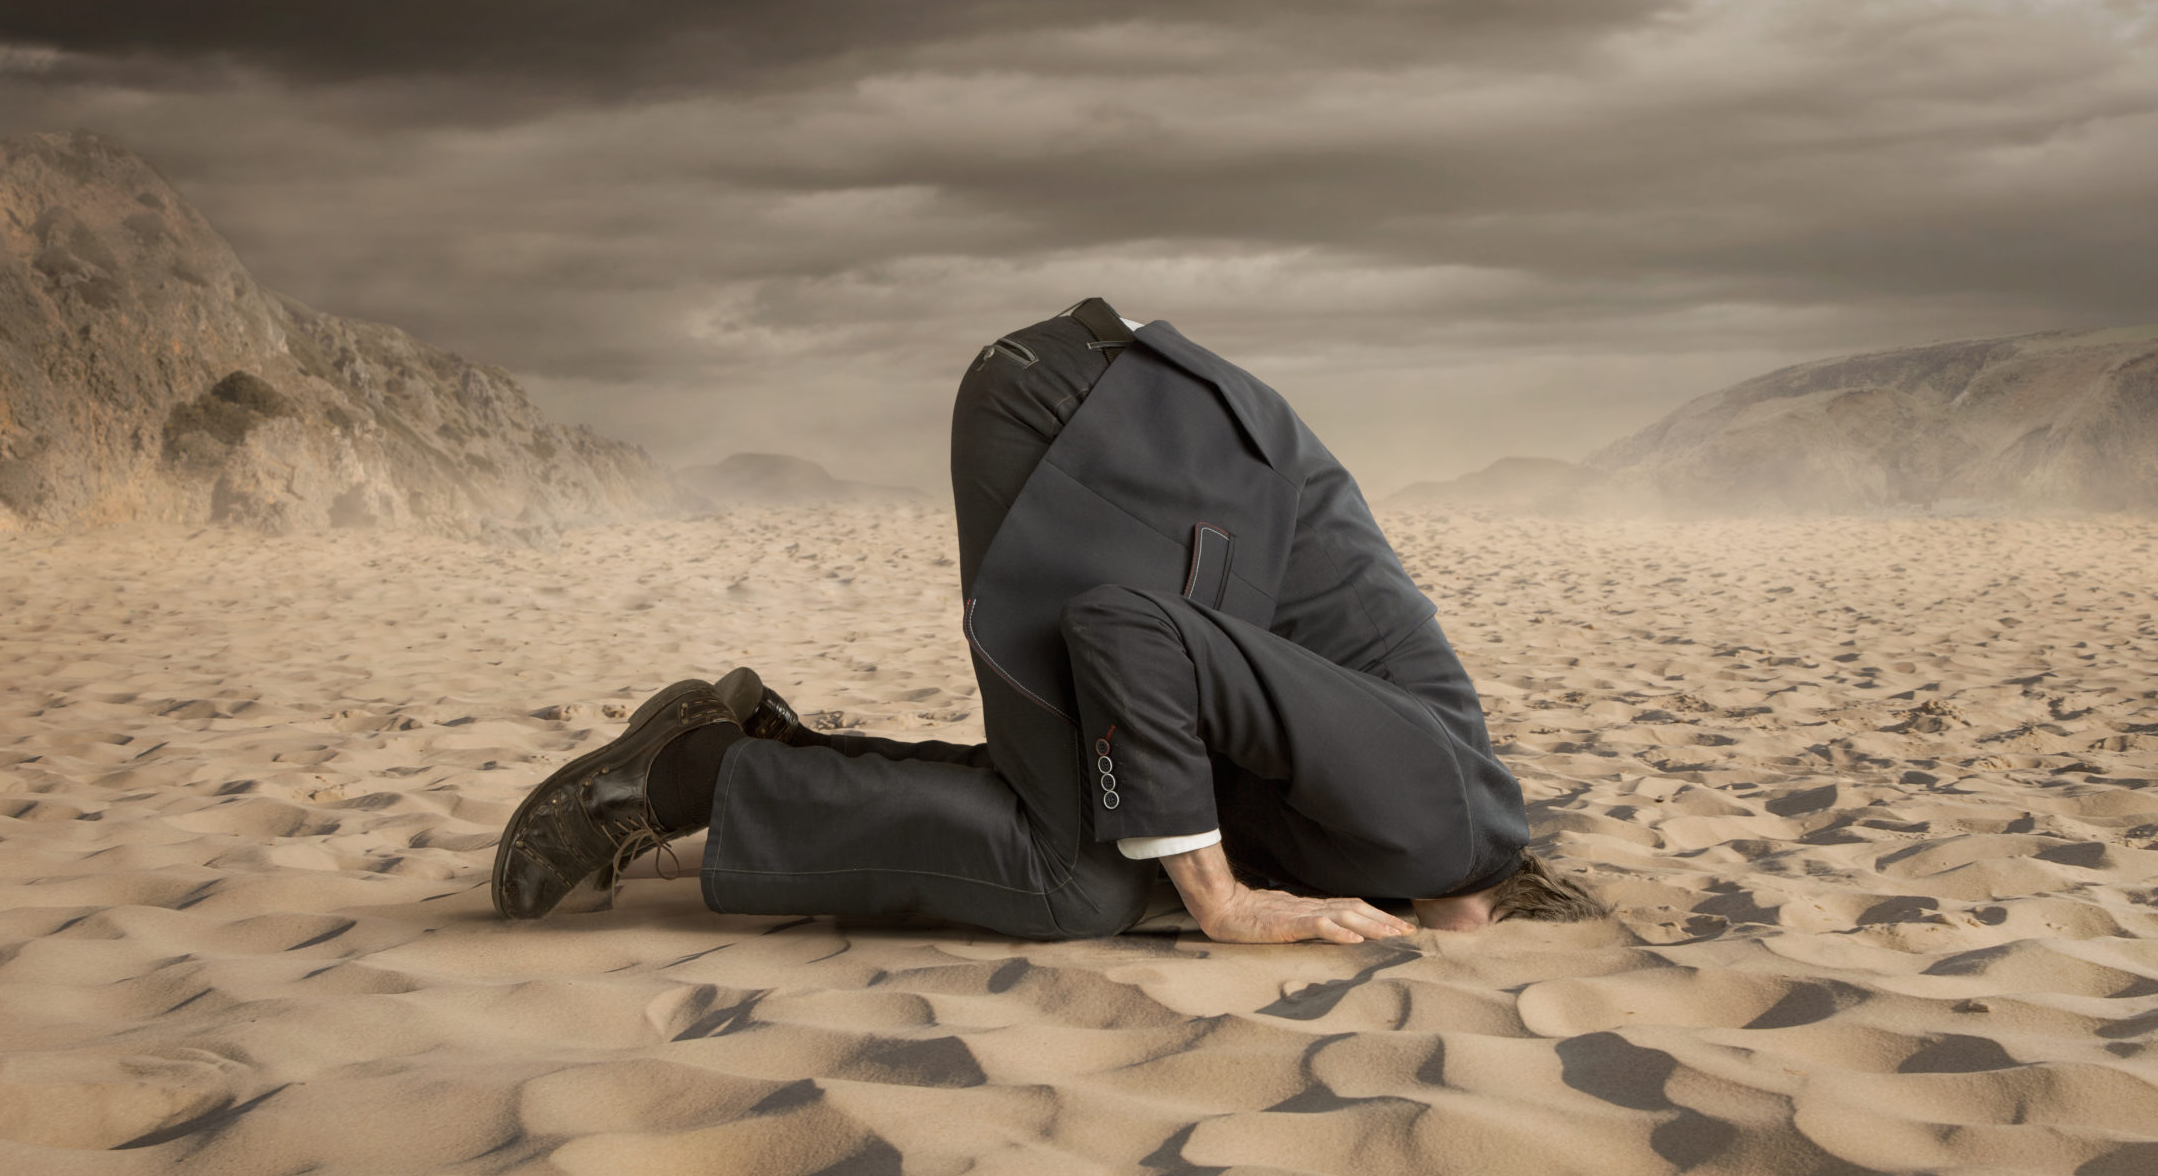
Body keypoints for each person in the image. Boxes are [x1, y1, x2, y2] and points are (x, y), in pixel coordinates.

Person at [492, 299, 1604, 944]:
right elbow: (1131, 633)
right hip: (1088, 423)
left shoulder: (1384, 829)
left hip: (1126, 426)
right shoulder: (1442, 823)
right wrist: (1218, 904)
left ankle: (755, 758)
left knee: (1103, 834)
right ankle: (681, 777)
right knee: (1081, 877)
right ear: (1496, 904)